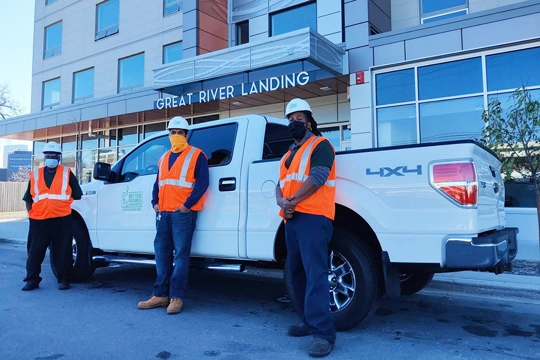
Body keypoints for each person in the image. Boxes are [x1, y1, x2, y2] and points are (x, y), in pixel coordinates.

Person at [276, 98, 337, 358]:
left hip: (314, 218)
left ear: (309, 122)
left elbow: (318, 178)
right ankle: (307, 321)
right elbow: (279, 185)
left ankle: (323, 335)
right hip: (292, 219)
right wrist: (282, 202)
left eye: (298, 119)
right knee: (297, 273)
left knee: (315, 275)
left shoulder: (321, 145)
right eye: (290, 119)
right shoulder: (289, 153)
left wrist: (291, 202)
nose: (294, 123)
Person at [138, 116, 209, 314]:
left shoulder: (197, 155)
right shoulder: (163, 158)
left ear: (187, 135)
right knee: (161, 255)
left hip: (182, 214)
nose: (176, 136)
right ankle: (160, 295)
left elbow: (202, 183)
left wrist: (186, 206)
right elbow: (158, 183)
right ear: (168, 135)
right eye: (173, 132)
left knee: (181, 256)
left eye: (180, 133)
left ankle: (176, 297)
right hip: (163, 213)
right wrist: (154, 202)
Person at [22, 141, 83, 291]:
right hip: (38, 220)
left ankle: (64, 280)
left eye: (54, 155)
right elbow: (28, 198)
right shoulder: (35, 175)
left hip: (61, 219)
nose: (51, 158)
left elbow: (77, 194)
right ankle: (32, 280)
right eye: (48, 155)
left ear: (59, 157)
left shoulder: (67, 173)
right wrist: (31, 216)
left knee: (62, 251)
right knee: (35, 252)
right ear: (44, 157)